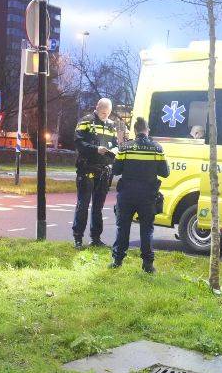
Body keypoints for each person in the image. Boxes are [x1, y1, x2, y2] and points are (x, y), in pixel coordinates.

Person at [111, 116, 170, 273]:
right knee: (147, 229)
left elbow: (115, 170)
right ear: (147, 130)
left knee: (122, 227)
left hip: (127, 194)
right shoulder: (157, 148)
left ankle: (117, 260)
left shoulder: (125, 148)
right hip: (148, 195)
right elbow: (165, 173)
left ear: (135, 131)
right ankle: (148, 264)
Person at [72, 97, 120, 248]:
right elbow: (78, 142)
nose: (105, 115)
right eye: (103, 112)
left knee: (98, 207)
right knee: (83, 204)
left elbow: (116, 144)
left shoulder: (112, 125)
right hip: (87, 168)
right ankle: (78, 238)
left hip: (104, 170)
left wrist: (115, 150)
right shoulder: (86, 121)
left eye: (108, 113)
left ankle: (96, 238)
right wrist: (95, 149)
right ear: (97, 107)